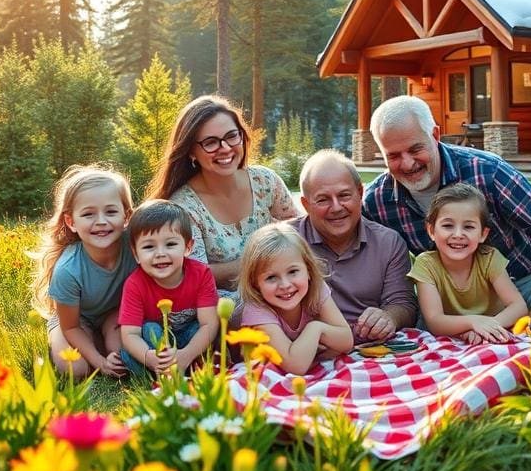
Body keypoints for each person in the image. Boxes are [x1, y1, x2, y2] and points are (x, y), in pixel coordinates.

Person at [363, 95, 531, 338]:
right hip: (451, 301)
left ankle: (503, 327)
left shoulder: (487, 171)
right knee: (421, 316)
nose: (408, 163)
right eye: (393, 155)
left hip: (522, 285)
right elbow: (360, 253)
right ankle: (506, 328)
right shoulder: (377, 200)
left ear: (435, 135)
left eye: (415, 149)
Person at [148, 95, 299, 290]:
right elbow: (194, 274)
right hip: (221, 304)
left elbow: (300, 235)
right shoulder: (183, 208)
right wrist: (264, 259)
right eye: (211, 142)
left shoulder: (265, 181)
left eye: (232, 136)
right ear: (191, 151)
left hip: (285, 291)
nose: (225, 148)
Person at [293, 149, 418, 343]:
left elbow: (403, 304)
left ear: (360, 193)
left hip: (371, 349)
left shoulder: (389, 242)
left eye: (344, 195)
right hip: (307, 351)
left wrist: (389, 317)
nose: (336, 207)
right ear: (306, 204)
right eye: (323, 199)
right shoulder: (286, 242)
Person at [31, 164, 135, 379]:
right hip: (75, 320)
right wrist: (100, 362)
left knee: (124, 356)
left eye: (111, 211)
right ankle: (85, 344)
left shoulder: (136, 248)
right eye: (88, 214)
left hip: (115, 313)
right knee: (75, 369)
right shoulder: (68, 269)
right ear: (71, 222)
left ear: (126, 216)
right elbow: (71, 327)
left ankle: (104, 340)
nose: (101, 221)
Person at [411, 183, 528, 344]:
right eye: (448, 226)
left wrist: (487, 327)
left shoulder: (489, 258)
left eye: (468, 226)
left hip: (490, 328)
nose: (458, 234)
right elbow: (435, 321)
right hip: (451, 335)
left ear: (483, 234)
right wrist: (473, 322)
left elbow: (518, 306)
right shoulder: (426, 264)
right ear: (431, 231)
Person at [117, 200, 220, 376]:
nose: (160, 253)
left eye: (170, 244)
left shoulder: (201, 274)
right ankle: (163, 370)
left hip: (188, 341)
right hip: (154, 346)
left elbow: (209, 324)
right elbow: (130, 334)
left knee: (207, 332)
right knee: (147, 332)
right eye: (149, 247)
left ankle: (186, 366)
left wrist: (186, 355)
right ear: (136, 254)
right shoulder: (134, 284)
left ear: (188, 247)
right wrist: (149, 357)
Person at [237, 222, 354, 374]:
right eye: (271, 277)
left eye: (292, 272)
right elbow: (296, 366)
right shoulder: (256, 309)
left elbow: (346, 341)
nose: (285, 285)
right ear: (255, 283)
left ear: (308, 270)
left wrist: (316, 330)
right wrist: (314, 330)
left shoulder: (315, 288)